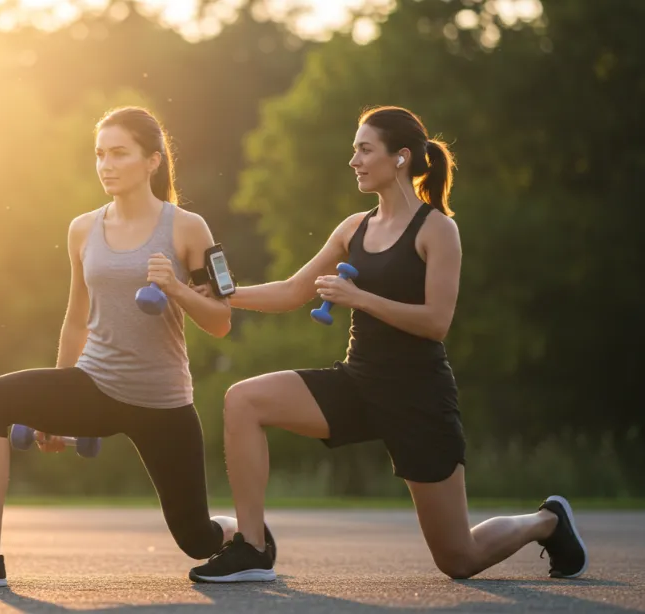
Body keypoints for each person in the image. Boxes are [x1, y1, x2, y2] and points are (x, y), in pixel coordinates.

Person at [188, 106, 587, 583]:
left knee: (459, 559)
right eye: (354, 149)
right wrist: (226, 295)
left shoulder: (438, 230)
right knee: (243, 400)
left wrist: (359, 298)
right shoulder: (353, 228)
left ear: (400, 158)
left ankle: (548, 521)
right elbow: (294, 291)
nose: (353, 160)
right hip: (358, 383)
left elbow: (436, 323)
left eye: (364, 149)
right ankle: (251, 548)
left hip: (418, 397)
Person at [0, 106, 272, 589]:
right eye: (100, 155)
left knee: (197, 540)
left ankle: (246, 537)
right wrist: (48, 415)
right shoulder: (82, 229)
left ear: (153, 161)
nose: (106, 165)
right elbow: (76, 318)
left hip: (162, 401)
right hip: (95, 384)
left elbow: (220, 322)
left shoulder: (187, 228)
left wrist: (177, 289)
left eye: (120, 153)